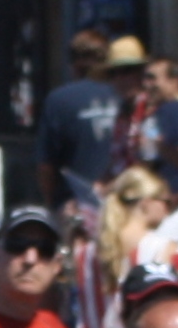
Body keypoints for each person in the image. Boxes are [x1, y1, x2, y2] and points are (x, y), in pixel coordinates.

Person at [34, 29, 116, 210]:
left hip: (77, 205)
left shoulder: (59, 100)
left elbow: (46, 166)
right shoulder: (123, 95)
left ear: (74, 64)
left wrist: (52, 204)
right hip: (123, 201)